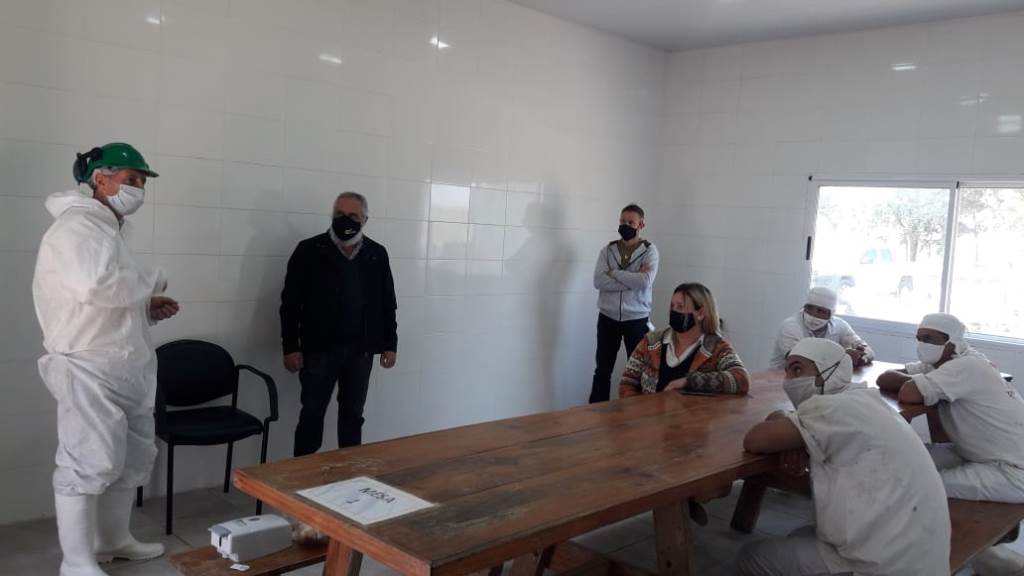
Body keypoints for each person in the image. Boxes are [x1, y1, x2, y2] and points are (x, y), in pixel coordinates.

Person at [33, 143, 179, 576]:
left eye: (141, 182)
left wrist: (144, 308)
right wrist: (151, 281)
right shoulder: (76, 226)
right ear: (100, 179)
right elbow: (94, 288)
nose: (138, 189)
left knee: (131, 458)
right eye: (131, 179)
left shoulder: (108, 228)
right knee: (86, 461)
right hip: (88, 366)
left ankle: (113, 540)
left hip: (123, 363)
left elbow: (103, 298)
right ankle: (76, 562)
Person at [738, 338, 950, 576]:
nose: (789, 381)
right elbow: (780, 428)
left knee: (751, 557)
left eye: (797, 370)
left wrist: (787, 429)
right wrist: (793, 432)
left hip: (880, 567)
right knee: (799, 535)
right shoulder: (865, 401)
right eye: (787, 371)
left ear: (830, 371)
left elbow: (755, 440)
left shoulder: (831, 408)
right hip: (923, 557)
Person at [878, 313, 1024, 575]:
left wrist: (916, 382)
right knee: (909, 458)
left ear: (952, 342)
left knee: (920, 483)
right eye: (919, 338)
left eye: (930, 339)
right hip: (982, 455)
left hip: (1013, 471)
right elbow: (884, 377)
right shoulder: (943, 364)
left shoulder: (967, 366)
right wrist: (917, 379)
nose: (923, 344)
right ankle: (975, 551)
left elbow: (909, 392)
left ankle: (966, 553)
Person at [281, 191, 398, 456]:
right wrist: (290, 346)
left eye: (353, 216)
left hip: (361, 351)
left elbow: (387, 303)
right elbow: (290, 304)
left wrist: (390, 344)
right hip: (318, 350)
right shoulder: (309, 250)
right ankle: (303, 475)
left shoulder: (376, 254)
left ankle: (349, 476)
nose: (346, 220)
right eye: (340, 215)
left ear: (365, 220)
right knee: (311, 415)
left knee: (353, 416)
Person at [619, 282, 748, 397]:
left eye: (680, 307)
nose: (674, 311)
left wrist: (689, 381)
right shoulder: (651, 342)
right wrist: (640, 411)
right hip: (649, 415)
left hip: (693, 416)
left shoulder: (716, 347)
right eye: (672, 306)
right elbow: (627, 383)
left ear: (700, 314)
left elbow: (741, 379)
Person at [590, 204, 659, 403]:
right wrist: (632, 279)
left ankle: (636, 414)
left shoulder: (650, 251)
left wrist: (614, 273)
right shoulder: (608, 250)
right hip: (608, 318)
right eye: (622, 221)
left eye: (631, 222)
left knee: (637, 373)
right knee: (602, 370)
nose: (625, 225)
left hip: (636, 320)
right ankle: (595, 413)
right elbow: (598, 281)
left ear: (641, 225)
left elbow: (645, 281)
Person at [769, 286, 874, 369]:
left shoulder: (840, 326)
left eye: (821, 311)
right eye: (809, 308)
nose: (813, 315)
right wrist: (844, 357)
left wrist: (861, 357)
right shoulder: (790, 326)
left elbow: (867, 350)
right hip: (780, 378)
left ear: (831, 314)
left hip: (818, 380)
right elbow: (798, 360)